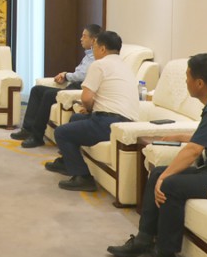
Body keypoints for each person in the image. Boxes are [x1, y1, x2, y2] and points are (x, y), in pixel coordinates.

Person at [107, 53, 207, 257]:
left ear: (199, 83)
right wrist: (180, 137)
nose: (185, 80)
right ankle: (143, 240)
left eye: (187, 76)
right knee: (157, 173)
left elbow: (193, 151)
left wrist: (165, 177)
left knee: (169, 183)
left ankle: (165, 254)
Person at [44, 31, 139, 191]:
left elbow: (86, 98)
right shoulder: (126, 67)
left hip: (107, 123)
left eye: (94, 47)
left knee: (61, 133)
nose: (92, 51)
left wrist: (88, 109)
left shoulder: (99, 65)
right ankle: (66, 162)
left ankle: (83, 177)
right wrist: (91, 110)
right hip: (126, 124)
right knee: (75, 119)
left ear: (102, 49)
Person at [11, 24, 101, 148]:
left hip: (80, 89)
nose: (81, 39)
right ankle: (27, 129)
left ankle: (37, 137)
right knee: (37, 90)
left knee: (48, 95)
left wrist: (66, 75)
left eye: (84, 36)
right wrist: (66, 75)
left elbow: (82, 76)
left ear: (94, 40)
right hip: (73, 86)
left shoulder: (96, 57)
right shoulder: (88, 55)